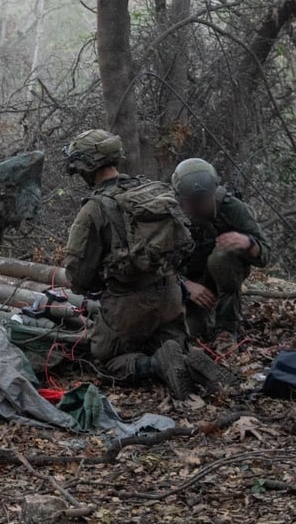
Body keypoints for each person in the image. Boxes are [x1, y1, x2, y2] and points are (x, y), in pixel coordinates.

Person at [62, 130, 235, 398]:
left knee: (106, 361)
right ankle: (190, 358)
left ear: (86, 167)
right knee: (171, 343)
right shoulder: (154, 190)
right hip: (170, 296)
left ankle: (155, 364)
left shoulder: (93, 209)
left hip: (127, 305)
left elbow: (77, 277)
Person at [171, 158, 268, 340]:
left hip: (217, 279)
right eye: (190, 202)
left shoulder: (231, 208)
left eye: (202, 201)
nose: (196, 207)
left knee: (222, 257)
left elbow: (265, 255)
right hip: (180, 285)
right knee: (184, 334)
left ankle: (226, 327)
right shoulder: (168, 213)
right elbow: (153, 263)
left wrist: (248, 243)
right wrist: (184, 285)